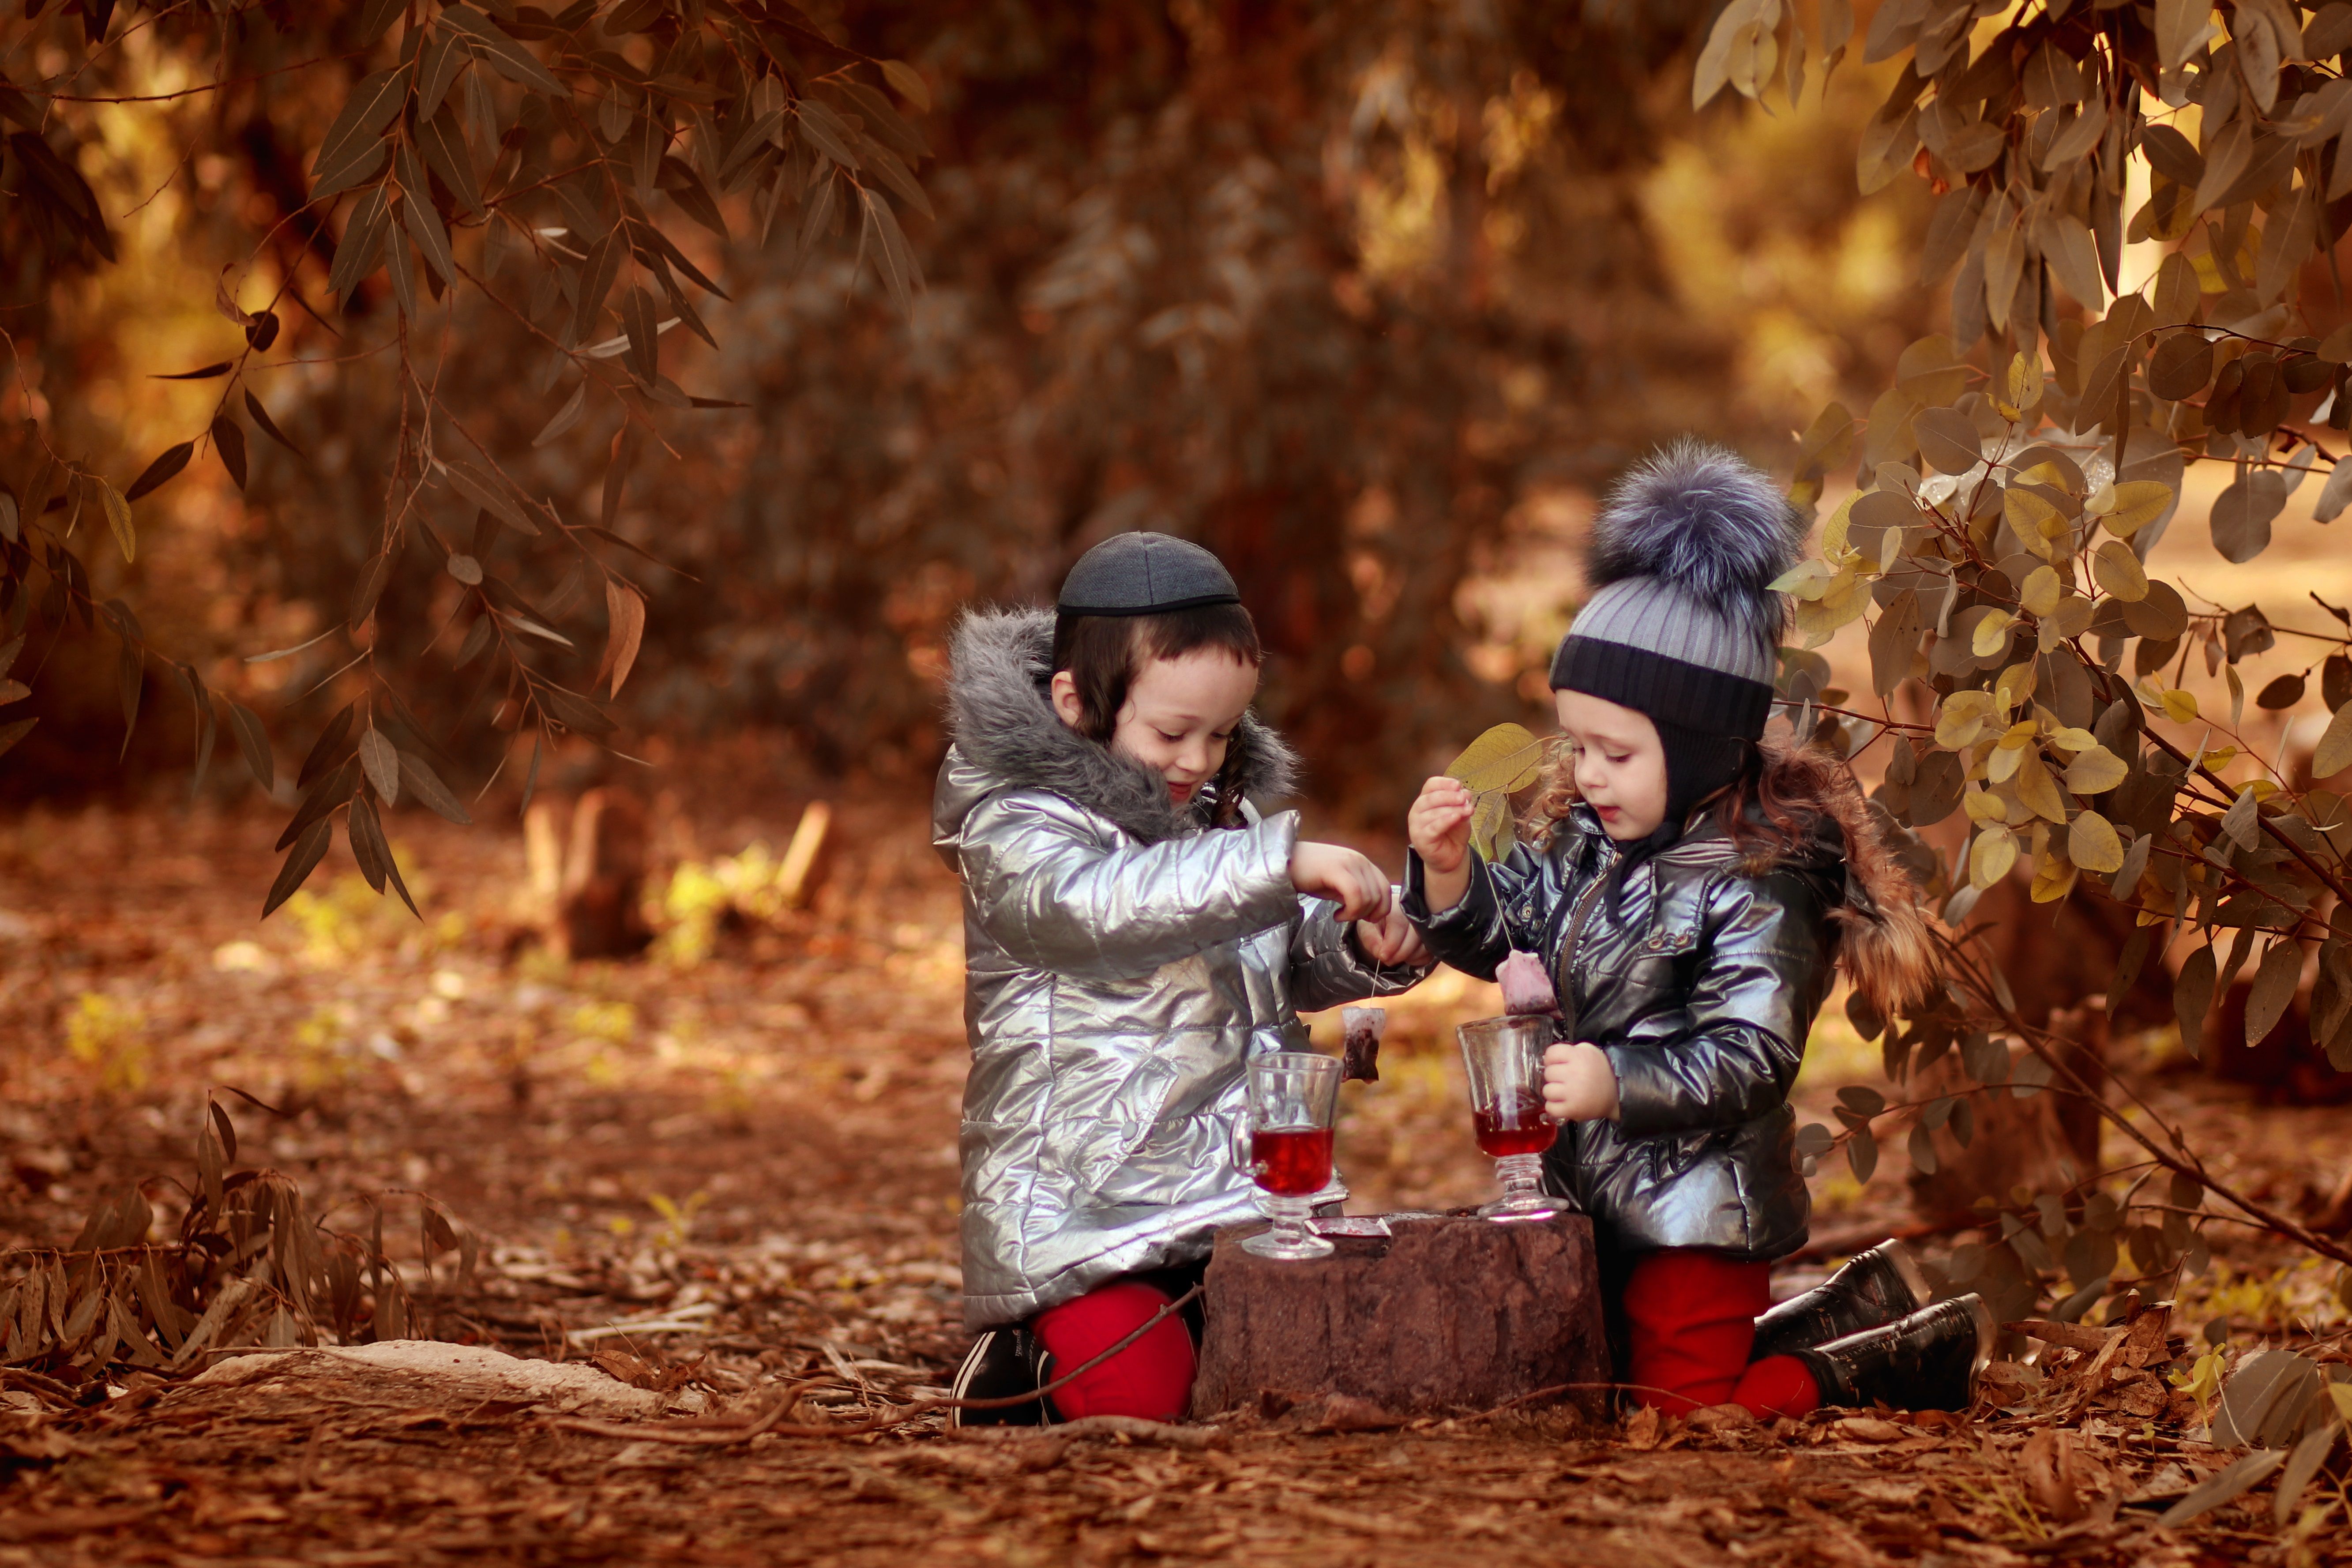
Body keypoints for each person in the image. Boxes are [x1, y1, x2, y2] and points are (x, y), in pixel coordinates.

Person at [1405, 440, 1991, 1418]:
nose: (1587, 774)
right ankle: (1841, 1306)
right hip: (1587, 1190)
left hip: (1697, 1206)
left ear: (1697, 746)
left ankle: (1894, 1355)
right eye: (1577, 744)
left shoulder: (1764, 880)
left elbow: (1750, 1054)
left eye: (1616, 752)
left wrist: (1613, 1081)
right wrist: (1449, 872)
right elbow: (1506, 936)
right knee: (1596, 1387)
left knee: (1682, 1414)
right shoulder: (1588, 838)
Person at [936, 532, 1428, 1425]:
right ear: (1077, 701)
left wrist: (1360, 945)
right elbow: (1100, 908)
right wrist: (1272, 864)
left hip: (1232, 1206)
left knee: (1329, 1373)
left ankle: (1190, 1322)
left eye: (1223, 732)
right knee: (1139, 1399)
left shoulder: (1215, 821)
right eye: (1172, 732)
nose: (1199, 761)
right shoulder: (1014, 828)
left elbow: (1267, 962)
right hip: (1089, 1217)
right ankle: (1019, 1362)